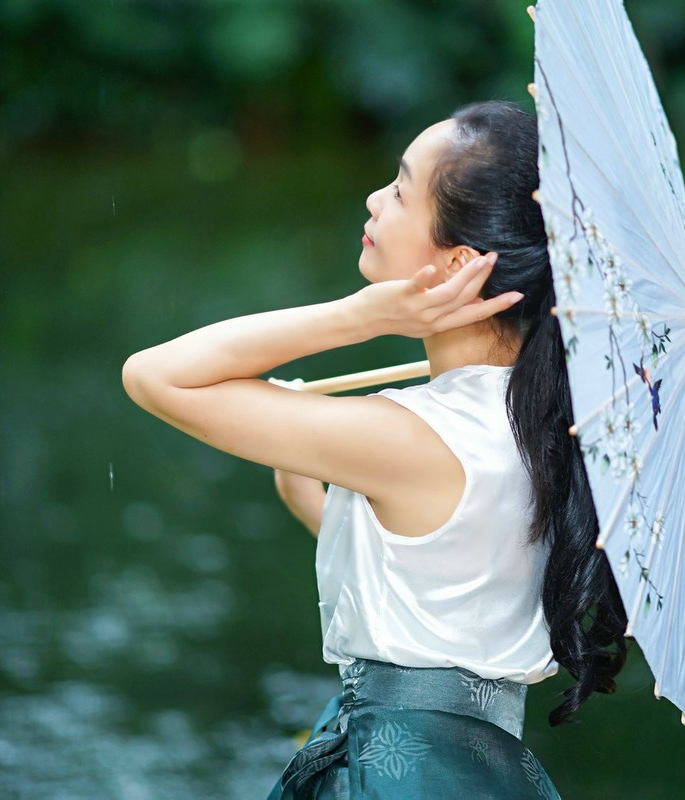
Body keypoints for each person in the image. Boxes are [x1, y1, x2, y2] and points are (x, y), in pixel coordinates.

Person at [122, 100, 629, 799]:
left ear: (457, 264)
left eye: (397, 189)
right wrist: (322, 510)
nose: (373, 199)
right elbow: (451, 589)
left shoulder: (412, 432)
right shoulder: (547, 421)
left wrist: (359, 317)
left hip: (401, 776)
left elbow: (153, 376)